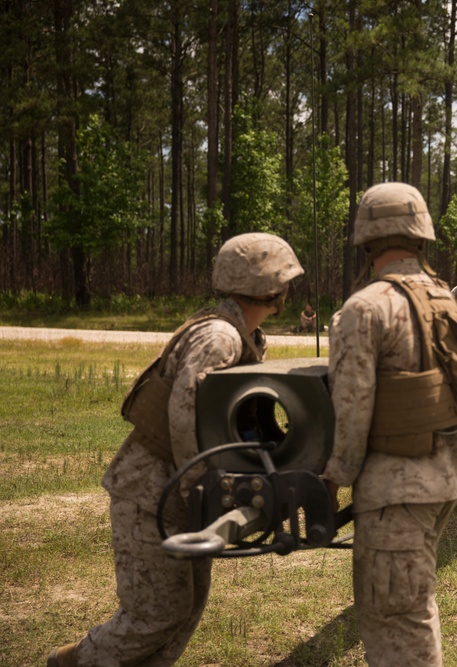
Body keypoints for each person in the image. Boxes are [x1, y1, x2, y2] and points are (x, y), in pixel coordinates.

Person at [47, 233, 303, 667]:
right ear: (269, 289)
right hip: (153, 488)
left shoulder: (246, 334)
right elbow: (185, 420)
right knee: (154, 615)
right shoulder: (219, 337)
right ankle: (71, 662)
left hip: (177, 486)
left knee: (183, 609)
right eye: (286, 280)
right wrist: (200, 493)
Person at [323, 183, 457, 666]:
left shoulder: (364, 310)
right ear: (422, 237)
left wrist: (331, 481)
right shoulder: (444, 298)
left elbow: (352, 411)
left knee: (397, 619)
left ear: (366, 242)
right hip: (449, 475)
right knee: (415, 601)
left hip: (397, 487)